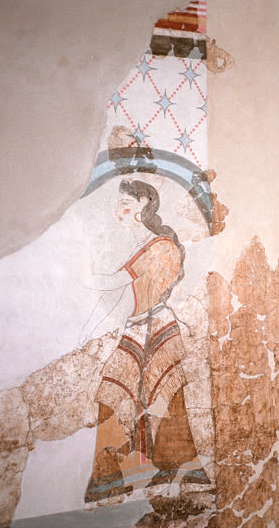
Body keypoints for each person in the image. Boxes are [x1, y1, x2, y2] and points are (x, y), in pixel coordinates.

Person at [84, 178, 209, 504]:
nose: (118, 212)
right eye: (118, 204)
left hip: (158, 328)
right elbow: (120, 290)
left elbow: (114, 283)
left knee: (164, 397)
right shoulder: (142, 248)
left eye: (125, 204)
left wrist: (75, 277)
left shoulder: (161, 247)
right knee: (113, 393)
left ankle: (178, 473)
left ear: (143, 205)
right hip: (138, 328)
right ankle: (115, 478)